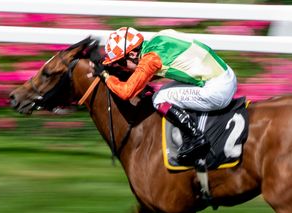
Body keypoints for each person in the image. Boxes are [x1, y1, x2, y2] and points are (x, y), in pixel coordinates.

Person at [97, 27, 238, 166]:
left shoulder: (150, 59)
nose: (123, 67)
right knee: (163, 91)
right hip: (227, 75)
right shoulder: (159, 37)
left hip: (218, 89)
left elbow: (126, 92)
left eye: (121, 63)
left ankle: (195, 137)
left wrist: (106, 77)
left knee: (159, 98)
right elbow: (154, 72)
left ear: (133, 54)